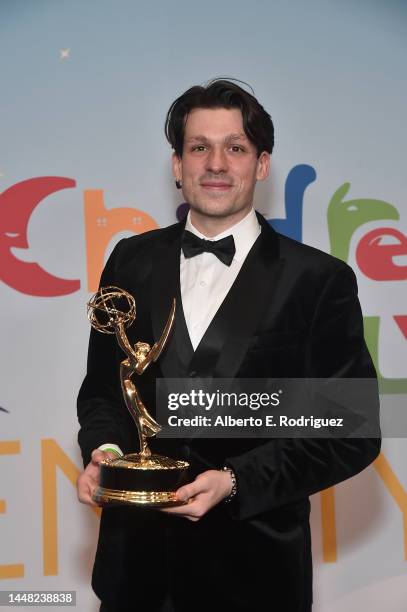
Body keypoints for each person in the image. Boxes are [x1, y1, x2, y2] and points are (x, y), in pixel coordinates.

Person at [76, 78, 381, 612]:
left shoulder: (318, 280)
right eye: (199, 147)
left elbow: (350, 432)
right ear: (177, 164)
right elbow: (103, 390)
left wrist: (236, 481)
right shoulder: (131, 260)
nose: (216, 163)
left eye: (235, 148)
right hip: (135, 575)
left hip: (254, 576)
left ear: (261, 164)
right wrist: (106, 454)